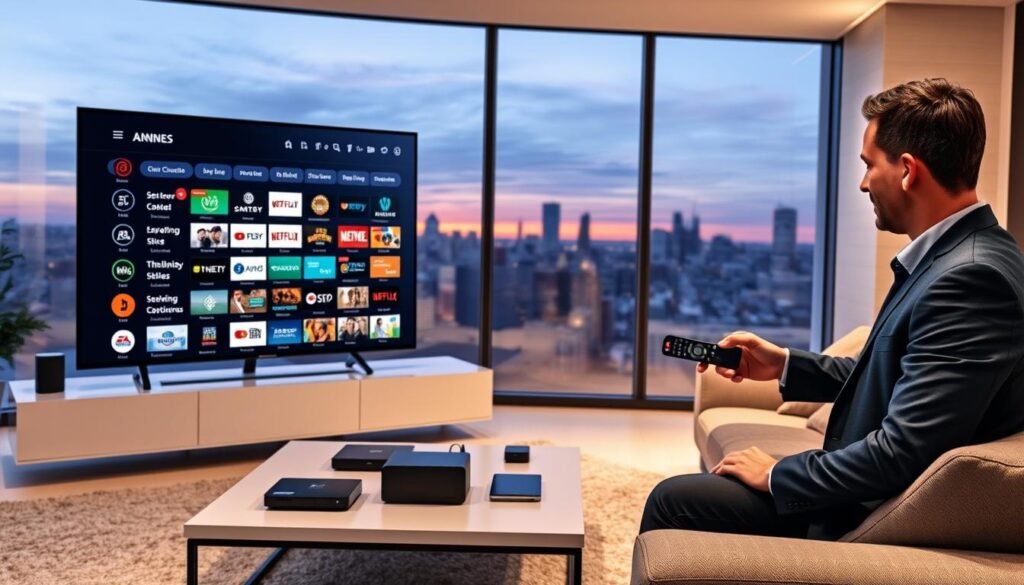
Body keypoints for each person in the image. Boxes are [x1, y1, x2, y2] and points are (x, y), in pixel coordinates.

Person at [640, 78, 1024, 541]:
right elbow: (887, 375)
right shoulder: (960, 258)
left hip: (867, 512)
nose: (863, 183)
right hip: (869, 494)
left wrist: (777, 473)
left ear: (907, 171)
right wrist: (784, 364)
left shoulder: (970, 280)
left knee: (673, 501)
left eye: (869, 165)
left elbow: (902, 453)